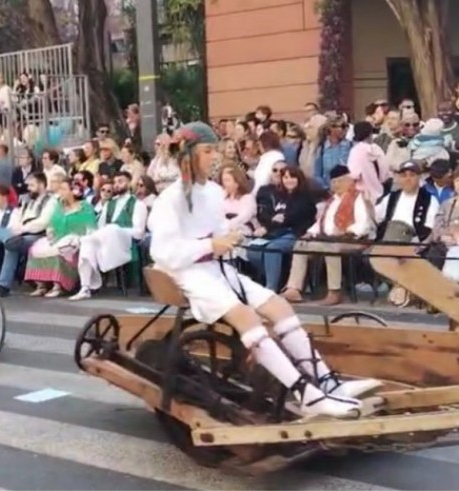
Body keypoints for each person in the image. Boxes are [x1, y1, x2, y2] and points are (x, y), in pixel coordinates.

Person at [148, 122, 381, 419]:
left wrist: (229, 237)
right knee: (247, 317)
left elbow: (219, 230)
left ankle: (328, 383)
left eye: (214, 150)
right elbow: (162, 252)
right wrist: (210, 245)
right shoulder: (170, 199)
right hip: (189, 274)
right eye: (207, 151)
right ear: (188, 155)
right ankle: (308, 395)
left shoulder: (213, 192)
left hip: (216, 269)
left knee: (279, 305)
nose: (213, 157)